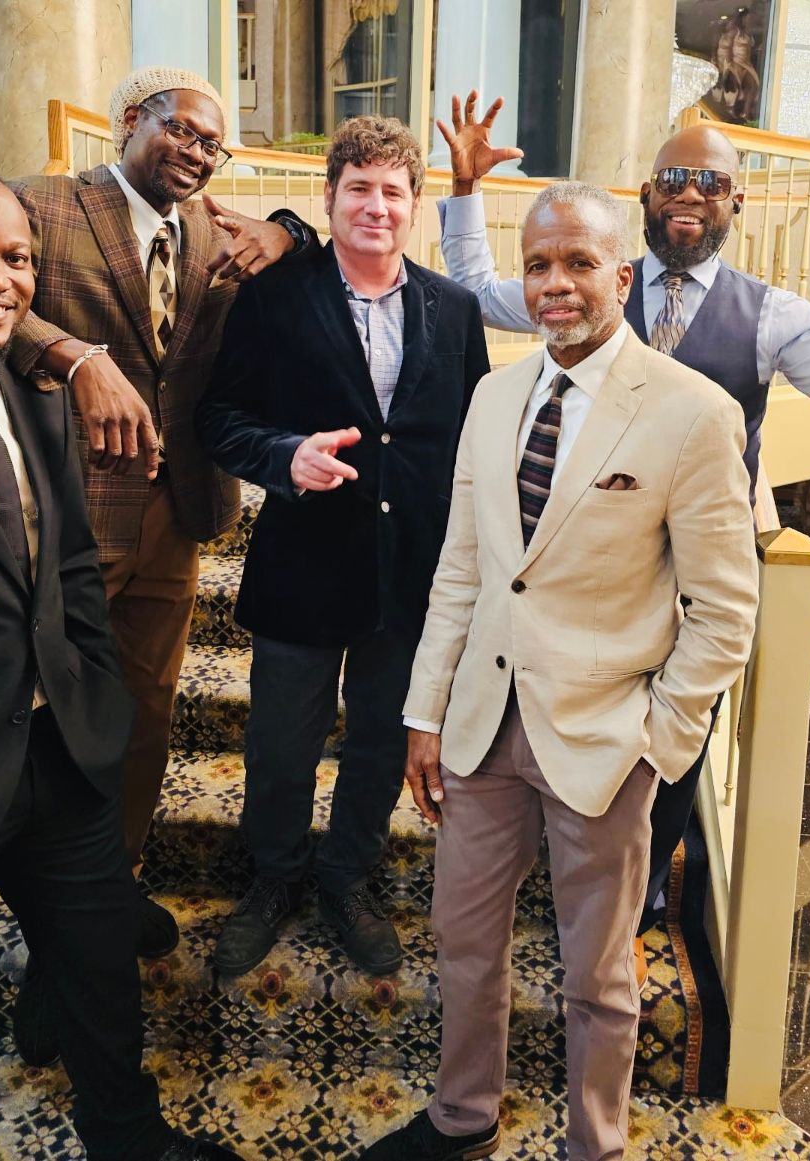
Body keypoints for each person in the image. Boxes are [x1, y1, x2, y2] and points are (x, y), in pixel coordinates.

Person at [433, 91, 810, 982]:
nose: (689, 193)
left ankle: (629, 911)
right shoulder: (589, 278)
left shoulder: (772, 315)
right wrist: (464, 193)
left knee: (667, 760)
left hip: (688, 590)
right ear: (644, 193)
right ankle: (565, 888)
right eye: (672, 176)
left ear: (735, 202)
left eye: (711, 182)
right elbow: (479, 291)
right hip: (588, 582)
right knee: (558, 734)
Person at [0, 163, 244, 1161]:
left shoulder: (36, 399)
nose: (0, 277)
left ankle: (129, 1139)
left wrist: (91, 708)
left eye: (17, 258)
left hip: (58, 761)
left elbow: (67, 573)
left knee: (100, 970)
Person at [359, 183, 759, 1161]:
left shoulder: (692, 412)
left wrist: (659, 739)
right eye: (537, 264)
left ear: (621, 275)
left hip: (605, 739)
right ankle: (462, 1118)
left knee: (598, 975)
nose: (555, 284)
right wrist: (424, 714)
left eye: (579, 263)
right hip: (481, 726)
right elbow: (463, 570)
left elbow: (724, 611)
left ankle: (596, 1144)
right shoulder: (494, 395)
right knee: (462, 941)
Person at [2, 65, 314, 1060]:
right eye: (182, 130)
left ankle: (112, 885)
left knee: (142, 722)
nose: (198, 152)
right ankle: (54, 940)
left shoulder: (213, 231)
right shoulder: (44, 205)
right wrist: (78, 358)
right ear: (131, 120)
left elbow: (302, 243)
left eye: (214, 143)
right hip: (65, 520)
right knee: (53, 729)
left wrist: (287, 229)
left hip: (177, 514)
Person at [196, 116, 489, 978]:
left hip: (411, 572)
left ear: (414, 206)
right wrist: (284, 456)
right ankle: (274, 875)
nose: (375, 205)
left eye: (392, 191)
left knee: (378, 743)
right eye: (358, 188)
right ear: (328, 199)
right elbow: (219, 417)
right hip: (303, 564)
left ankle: (346, 877)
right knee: (280, 743)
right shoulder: (274, 296)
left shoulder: (454, 308)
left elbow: (471, 440)